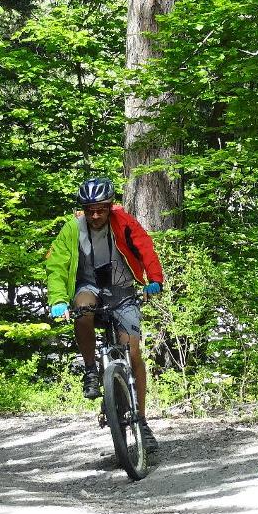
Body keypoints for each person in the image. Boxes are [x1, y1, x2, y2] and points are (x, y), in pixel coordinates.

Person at [44, 177, 165, 452]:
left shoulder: (124, 223)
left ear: (110, 206)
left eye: (100, 209)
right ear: (83, 210)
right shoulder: (72, 229)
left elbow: (146, 248)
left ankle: (142, 421)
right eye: (90, 210)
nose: (95, 215)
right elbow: (57, 265)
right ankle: (90, 371)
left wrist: (154, 280)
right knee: (82, 310)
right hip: (89, 286)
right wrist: (59, 301)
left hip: (122, 289)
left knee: (133, 353)